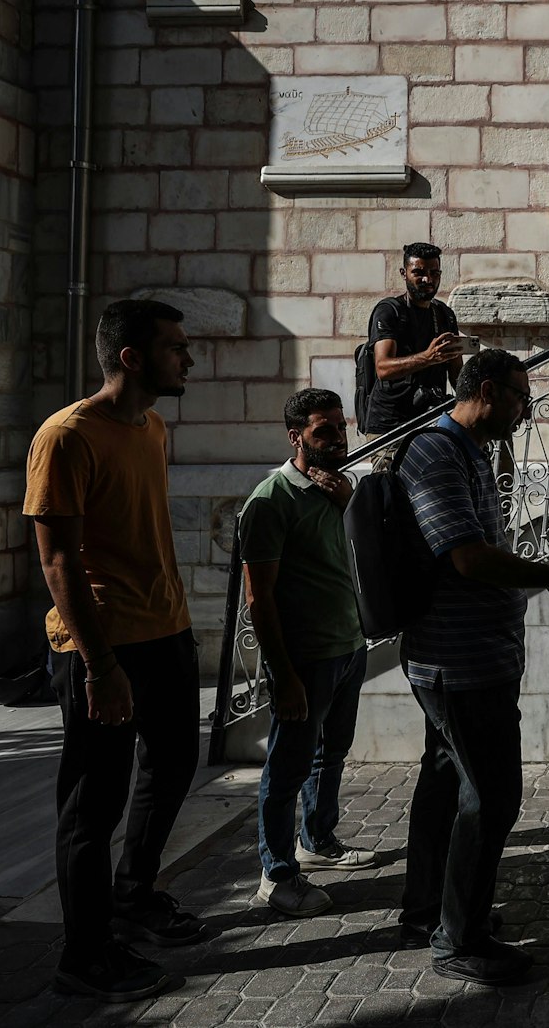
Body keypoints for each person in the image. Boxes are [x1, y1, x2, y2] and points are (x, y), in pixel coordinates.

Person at [26, 299, 202, 1002]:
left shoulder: (154, 426)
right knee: (92, 806)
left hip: (167, 633)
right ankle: (84, 954)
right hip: (103, 648)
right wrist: (101, 666)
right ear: (131, 357)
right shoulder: (67, 435)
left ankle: (134, 895)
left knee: (174, 766)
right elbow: (59, 562)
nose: (187, 358)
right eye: (175, 347)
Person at [395, 349, 549, 984]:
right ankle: (456, 939)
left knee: (460, 791)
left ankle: (452, 914)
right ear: (485, 389)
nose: (523, 409)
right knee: (493, 799)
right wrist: (548, 574)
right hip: (456, 663)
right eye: (517, 395)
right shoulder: (436, 453)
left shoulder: (473, 452)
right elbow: (467, 558)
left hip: (482, 659)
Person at [239, 389, 374, 919]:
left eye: (341, 427)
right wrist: (283, 676)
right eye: (324, 431)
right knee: (287, 767)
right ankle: (276, 875)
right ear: (296, 437)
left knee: (329, 754)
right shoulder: (270, 500)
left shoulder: (337, 489)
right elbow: (259, 599)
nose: (339, 438)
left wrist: (347, 503)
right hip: (306, 660)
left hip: (347, 648)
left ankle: (316, 841)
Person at [362, 242, 464, 437]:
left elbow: (456, 372)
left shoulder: (445, 314)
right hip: (390, 427)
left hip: (431, 421)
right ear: (404, 273)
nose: (428, 279)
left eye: (434, 273)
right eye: (419, 272)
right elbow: (383, 368)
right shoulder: (389, 311)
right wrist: (428, 357)